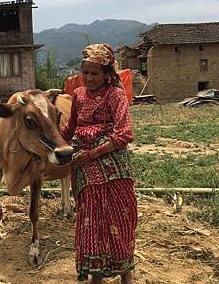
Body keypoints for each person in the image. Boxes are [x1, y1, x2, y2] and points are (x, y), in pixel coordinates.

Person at [61, 43, 137, 284]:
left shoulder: (115, 95)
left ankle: (126, 273)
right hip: (83, 166)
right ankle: (96, 276)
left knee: (120, 219)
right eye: (85, 72)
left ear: (107, 74)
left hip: (112, 165)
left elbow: (124, 134)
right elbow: (70, 128)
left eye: (95, 73)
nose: (89, 78)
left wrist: (92, 154)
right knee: (90, 223)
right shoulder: (78, 95)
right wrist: (48, 140)